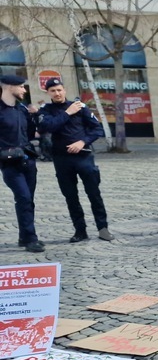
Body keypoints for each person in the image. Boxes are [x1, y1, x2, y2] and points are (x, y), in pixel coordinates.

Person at [36, 78, 113, 243]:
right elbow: (45, 127)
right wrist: (67, 113)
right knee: (70, 196)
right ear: (48, 93)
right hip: (61, 159)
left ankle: (103, 228)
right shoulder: (46, 110)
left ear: (64, 90)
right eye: (53, 91)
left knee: (94, 193)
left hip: (83, 156)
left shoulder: (80, 107)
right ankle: (80, 230)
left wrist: (83, 142)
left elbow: (97, 129)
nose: (57, 93)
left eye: (59, 90)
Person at [0, 74, 43, 252]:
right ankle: (31, 239)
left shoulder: (22, 109)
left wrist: (36, 117)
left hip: (28, 160)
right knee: (23, 197)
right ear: (10, 87)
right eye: (21, 87)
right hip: (9, 163)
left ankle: (24, 236)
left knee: (28, 200)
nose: (24, 90)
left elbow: (31, 133)